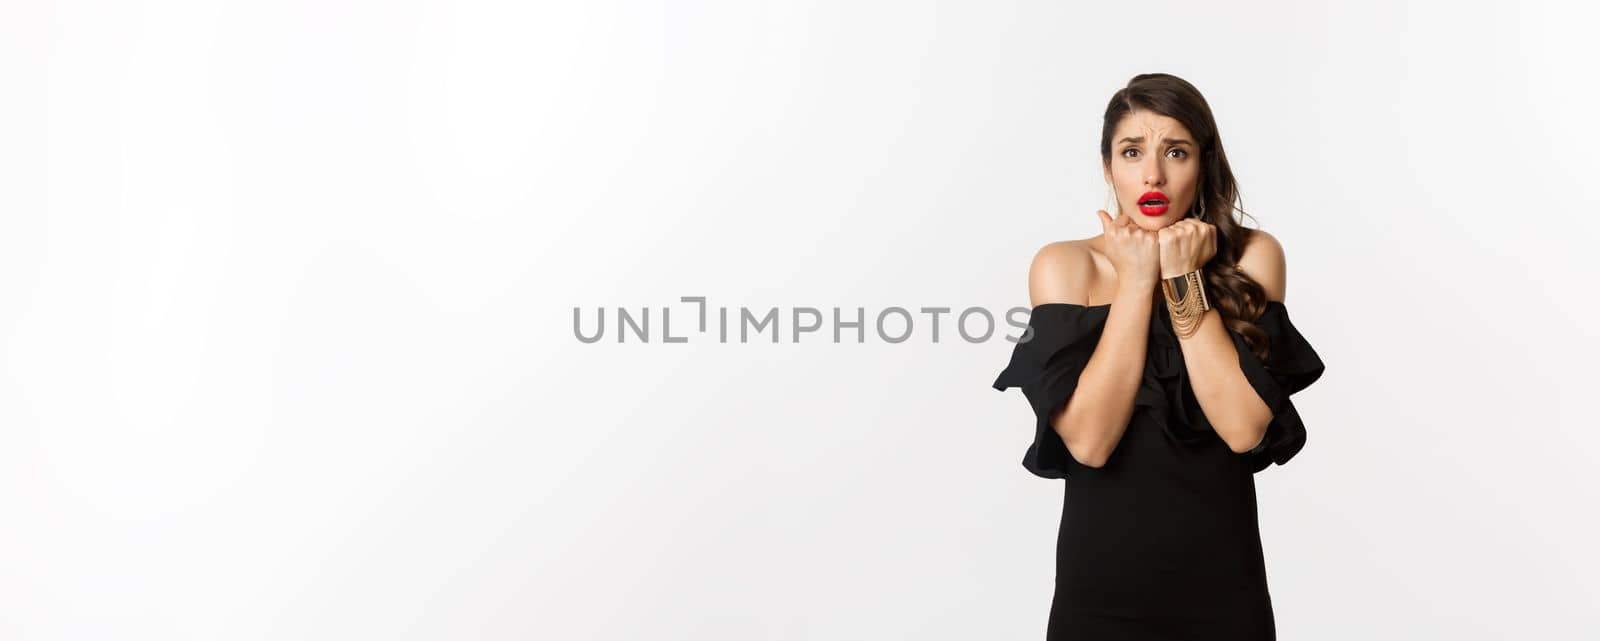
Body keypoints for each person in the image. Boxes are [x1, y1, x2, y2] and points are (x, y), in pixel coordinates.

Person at [992, 73, 1326, 640]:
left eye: (1176, 151)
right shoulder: (1064, 266)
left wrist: (1182, 277)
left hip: (1224, 593)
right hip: (1100, 595)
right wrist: (1138, 278)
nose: (1153, 174)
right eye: (1131, 152)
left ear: (1203, 164)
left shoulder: (1253, 257)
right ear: (1108, 169)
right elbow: (1089, 442)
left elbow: (1244, 429)